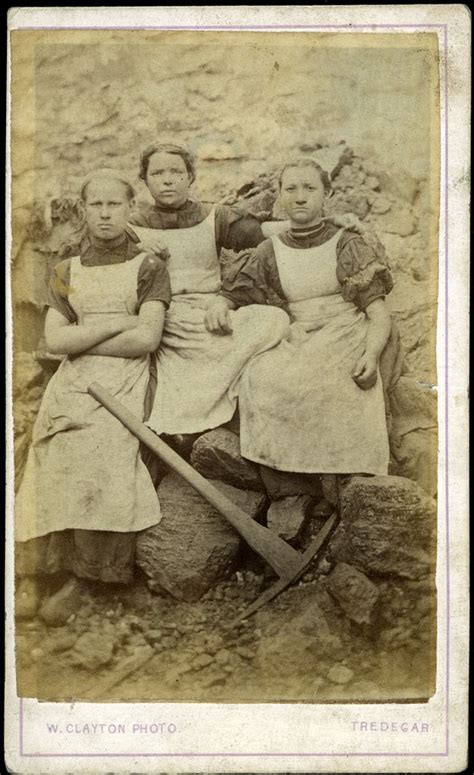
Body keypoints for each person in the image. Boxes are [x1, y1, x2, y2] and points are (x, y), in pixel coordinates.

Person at [15, 169, 171, 625]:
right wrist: (116, 324)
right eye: (96, 205)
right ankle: (33, 575)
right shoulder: (66, 270)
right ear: (84, 210)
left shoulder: (149, 267)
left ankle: (87, 578)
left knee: (103, 452)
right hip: (73, 378)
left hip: (126, 379)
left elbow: (146, 340)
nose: (105, 213)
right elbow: (54, 343)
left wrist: (83, 337)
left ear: (129, 210)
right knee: (48, 450)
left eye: (115, 205)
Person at [218, 157, 397, 478]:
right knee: (262, 377)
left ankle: (341, 473)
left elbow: (378, 312)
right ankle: (288, 478)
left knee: (336, 384)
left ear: (325, 193)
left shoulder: (346, 242)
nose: (300, 197)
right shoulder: (270, 249)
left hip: (347, 330)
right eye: (291, 189)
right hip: (301, 334)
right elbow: (234, 294)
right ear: (281, 197)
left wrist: (371, 354)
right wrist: (220, 305)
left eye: (310, 188)